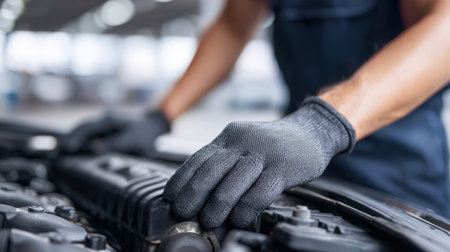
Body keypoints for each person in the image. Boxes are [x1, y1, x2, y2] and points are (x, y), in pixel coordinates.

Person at [65, 0, 450, 229]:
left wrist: (324, 123)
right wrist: (161, 116)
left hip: (397, 177)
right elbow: (233, 26)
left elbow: (443, 24)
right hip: (290, 164)